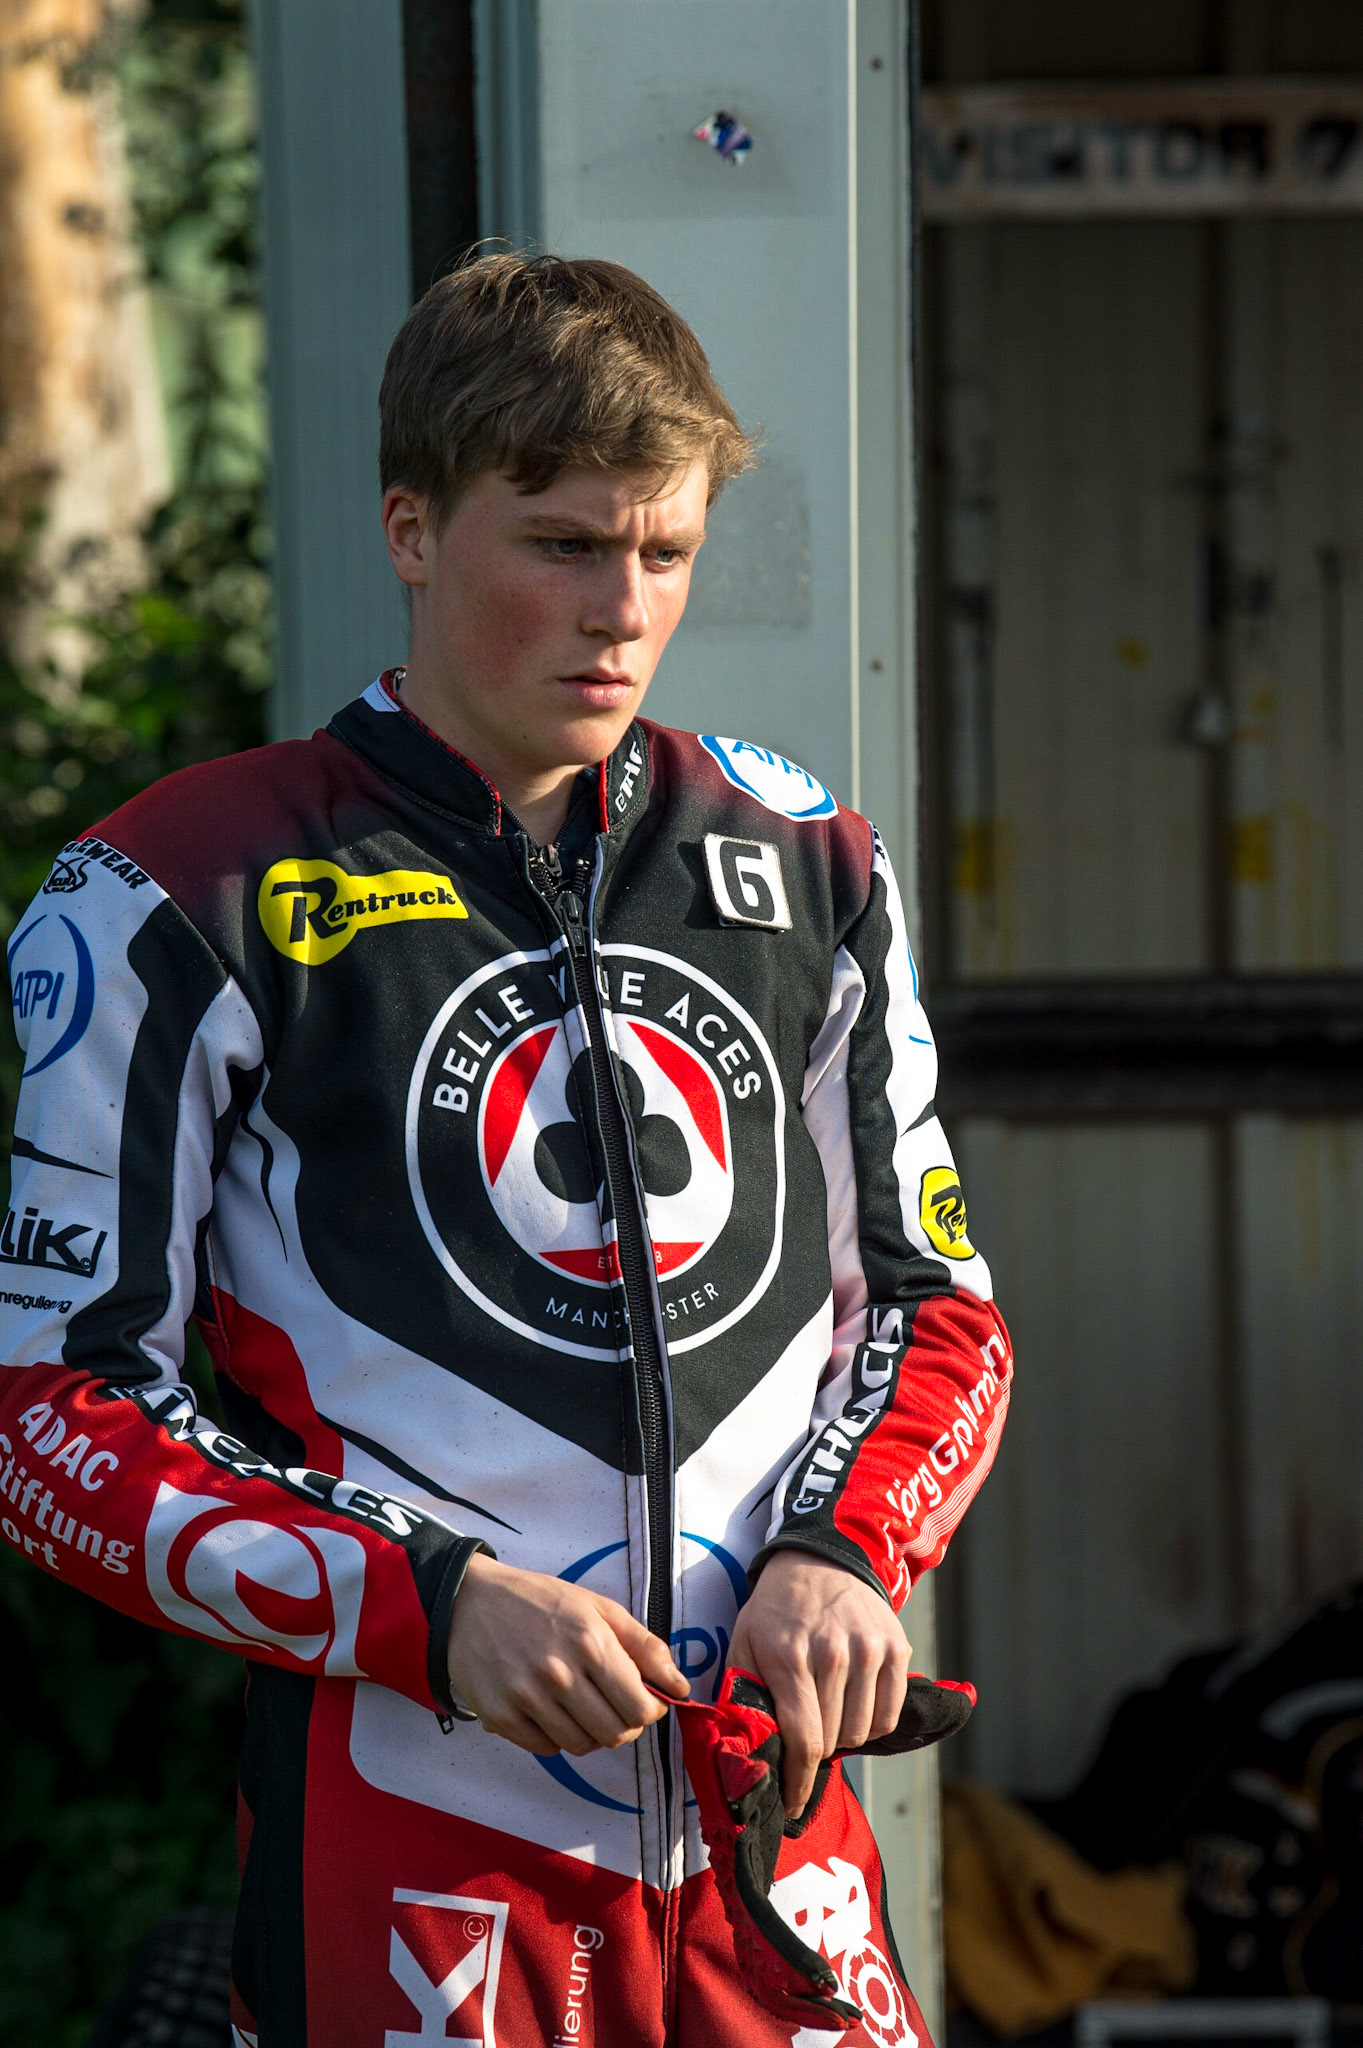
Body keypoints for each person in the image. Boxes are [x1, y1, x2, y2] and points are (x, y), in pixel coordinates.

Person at [0, 252, 1012, 2046]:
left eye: (666, 552)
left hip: (771, 1840)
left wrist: (849, 1554)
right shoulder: (171, 888)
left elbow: (938, 1316)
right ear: (409, 526)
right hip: (415, 1841)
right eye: (559, 543)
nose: (621, 611)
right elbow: (51, 1417)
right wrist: (424, 1606)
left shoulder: (811, 864)